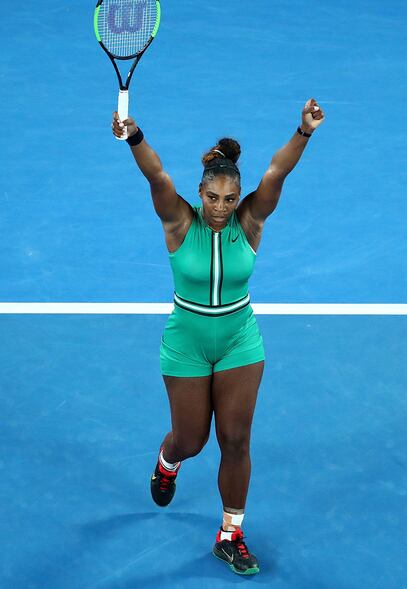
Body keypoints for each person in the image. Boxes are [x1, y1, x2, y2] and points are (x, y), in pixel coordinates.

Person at [111, 99, 324, 575]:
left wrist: (304, 131)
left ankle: (230, 535)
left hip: (238, 342)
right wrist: (134, 136)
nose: (222, 209)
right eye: (213, 198)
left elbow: (275, 174)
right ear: (200, 193)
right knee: (191, 441)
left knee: (235, 438)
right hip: (185, 344)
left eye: (230, 199)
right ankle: (168, 461)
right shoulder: (178, 221)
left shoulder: (250, 222)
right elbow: (157, 177)